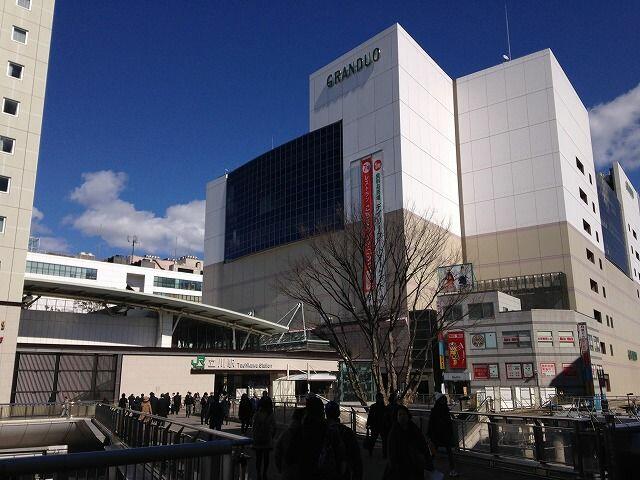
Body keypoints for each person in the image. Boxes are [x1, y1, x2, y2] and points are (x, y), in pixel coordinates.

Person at [285, 394, 346, 480]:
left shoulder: (300, 430)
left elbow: (289, 456)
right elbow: (340, 455)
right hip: (326, 473)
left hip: (305, 472)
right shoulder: (331, 430)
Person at [384, 405, 432, 480]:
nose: (402, 416)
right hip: (400, 467)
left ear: (408, 415)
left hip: (415, 465)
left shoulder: (414, 429)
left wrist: (427, 461)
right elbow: (391, 451)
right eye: (400, 414)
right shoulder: (394, 432)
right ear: (396, 417)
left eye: (404, 414)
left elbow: (423, 445)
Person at [325, 401, 363, 480]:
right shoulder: (346, 431)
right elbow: (356, 457)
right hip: (342, 471)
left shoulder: (320, 430)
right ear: (338, 413)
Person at [427, 392, 458, 477]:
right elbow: (433, 423)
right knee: (448, 452)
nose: (444, 401)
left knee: (435, 451)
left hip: (438, 434)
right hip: (443, 434)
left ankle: (429, 467)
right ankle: (452, 469)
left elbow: (431, 423)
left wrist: (429, 434)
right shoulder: (444, 409)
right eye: (443, 399)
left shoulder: (436, 410)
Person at [275, 407, 305, 479]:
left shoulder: (286, 433)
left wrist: (280, 468)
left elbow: (277, 452)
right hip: (301, 471)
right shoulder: (307, 434)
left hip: (287, 469)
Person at [252, 396, 277, 480]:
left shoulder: (256, 414)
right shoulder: (270, 415)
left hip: (258, 439)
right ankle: (264, 473)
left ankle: (258, 473)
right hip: (267, 438)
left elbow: (254, 427)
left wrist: (254, 436)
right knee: (266, 458)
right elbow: (275, 427)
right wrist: (272, 436)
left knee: (258, 458)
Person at [365, 392, 386, 457]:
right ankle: (383, 454)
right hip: (379, 425)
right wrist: (368, 423)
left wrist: (368, 424)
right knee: (381, 440)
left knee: (375, 439)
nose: (381, 399)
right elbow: (370, 416)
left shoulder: (374, 406)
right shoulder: (383, 407)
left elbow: (370, 416)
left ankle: (371, 452)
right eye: (381, 398)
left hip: (377, 425)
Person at [382, 392, 400, 459]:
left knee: (387, 441)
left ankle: (386, 454)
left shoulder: (388, 407)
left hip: (388, 426)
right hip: (392, 426)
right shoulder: (397, 407)